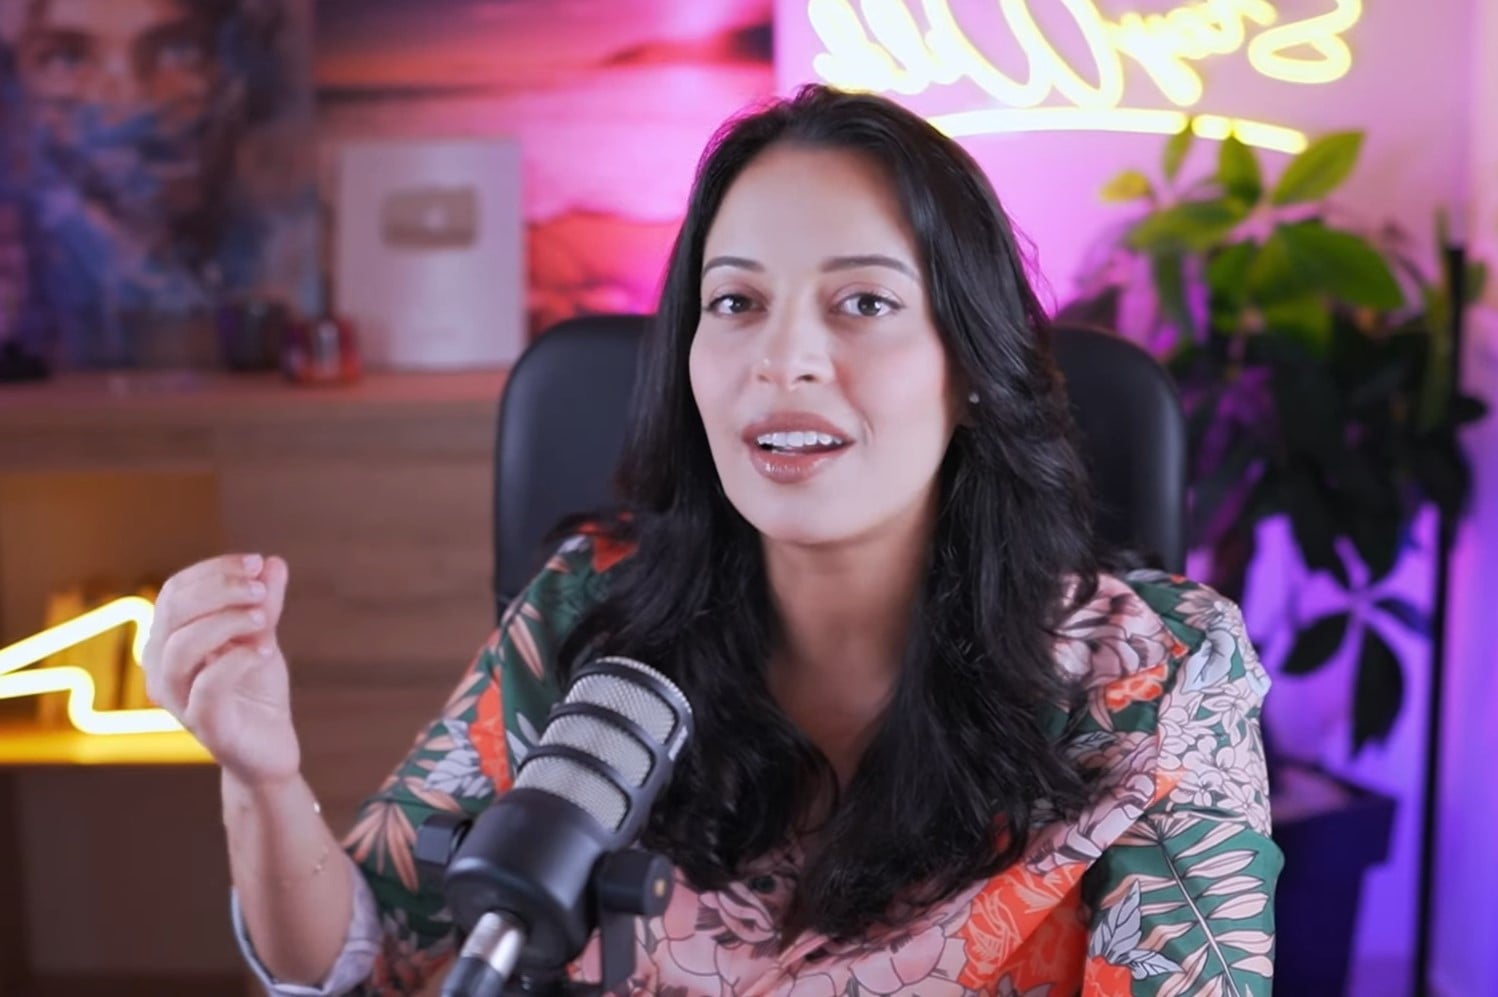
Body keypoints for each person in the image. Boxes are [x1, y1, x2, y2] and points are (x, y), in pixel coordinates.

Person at [143, 85, 1281, 995]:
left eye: (863, 303)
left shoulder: (1163, 677)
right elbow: (372, 959)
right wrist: (260, 774)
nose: (782, 360)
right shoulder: (590, 608)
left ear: (969, 367)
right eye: (735, 303)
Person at [4, 0, 294, 366]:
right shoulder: (27, 260)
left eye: (178, 51)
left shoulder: (262, 246)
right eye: (68, 58)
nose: (128, 96)